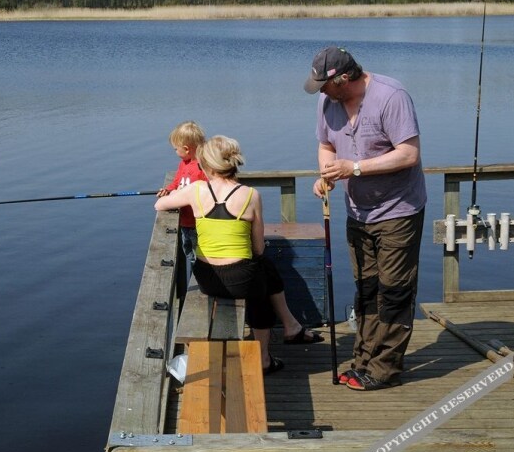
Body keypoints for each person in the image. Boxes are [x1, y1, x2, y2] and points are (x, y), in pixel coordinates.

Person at [304, 46, 427, 391]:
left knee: (394, 290)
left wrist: (354, 167)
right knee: (367, 289)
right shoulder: (327, 101)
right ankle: (363, 360)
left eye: (325, 85)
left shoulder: (391, 96)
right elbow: (327, 146)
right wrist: (327, 174)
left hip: (399, 210)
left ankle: (384, 369)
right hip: (357, 212)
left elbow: (409, 154)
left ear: (344, 78)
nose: (321, 92)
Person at [155, 135, 322, 375]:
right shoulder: (250, 195)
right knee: (260, 282)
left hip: (207, 277)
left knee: (263, 272)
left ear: (206, 165)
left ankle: (292, 327)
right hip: (240, 280)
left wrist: (170, 194)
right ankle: (265, 358)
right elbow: (258, 248)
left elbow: (160, 205)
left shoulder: (195, 190)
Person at [157, 121, 208, 264]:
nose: (175, 152)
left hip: (198, 222)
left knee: (200, 254)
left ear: (186, 149)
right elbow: (176, 182)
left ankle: (200, 273)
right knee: (188, 251)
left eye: (175, 149)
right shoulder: (183, 164)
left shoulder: (203, 167)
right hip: (185, 221)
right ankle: (196, 271)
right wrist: (168, 190)